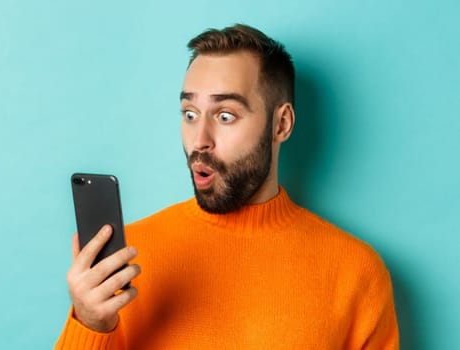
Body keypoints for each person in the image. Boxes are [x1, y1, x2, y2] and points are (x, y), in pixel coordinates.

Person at [55, 24, 399, 349]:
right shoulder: (125, 262)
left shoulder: (356, 273)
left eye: (225, 116)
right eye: (190, 114)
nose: (199, 141)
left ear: (281, 124)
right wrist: (89, 323)